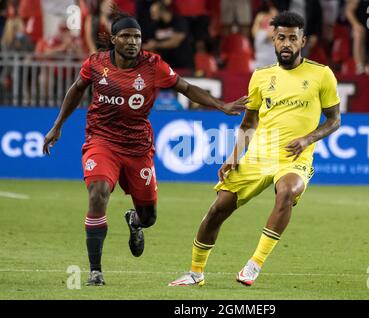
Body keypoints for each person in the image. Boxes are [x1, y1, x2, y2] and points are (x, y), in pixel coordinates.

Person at [42, 13, 248, 286]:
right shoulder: (96, 64)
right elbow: (77, 88)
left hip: (138, 147)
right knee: (98, 193)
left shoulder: (153, 65)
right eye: (126, 36)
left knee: (149, 217)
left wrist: (221, 105)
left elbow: (185, 87)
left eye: (137, 36)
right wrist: (57, 125)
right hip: (101, 141)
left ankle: (135, 221)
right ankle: (95, 271)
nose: (132, 41)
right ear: (114, 39)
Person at [169, 11, 341, 287]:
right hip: (258, 155)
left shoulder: (322, 75)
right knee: (217, 210)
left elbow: (334, 120)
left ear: (303, 41)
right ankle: (195, 272)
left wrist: (308, 139)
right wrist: (233, 157)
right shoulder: (261, 77)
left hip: (293, 157)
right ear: (273, 40)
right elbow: (249, 122)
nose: (287, 43)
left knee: (286, 192)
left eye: (293, 39)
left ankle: (254, 264)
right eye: (281, 38)